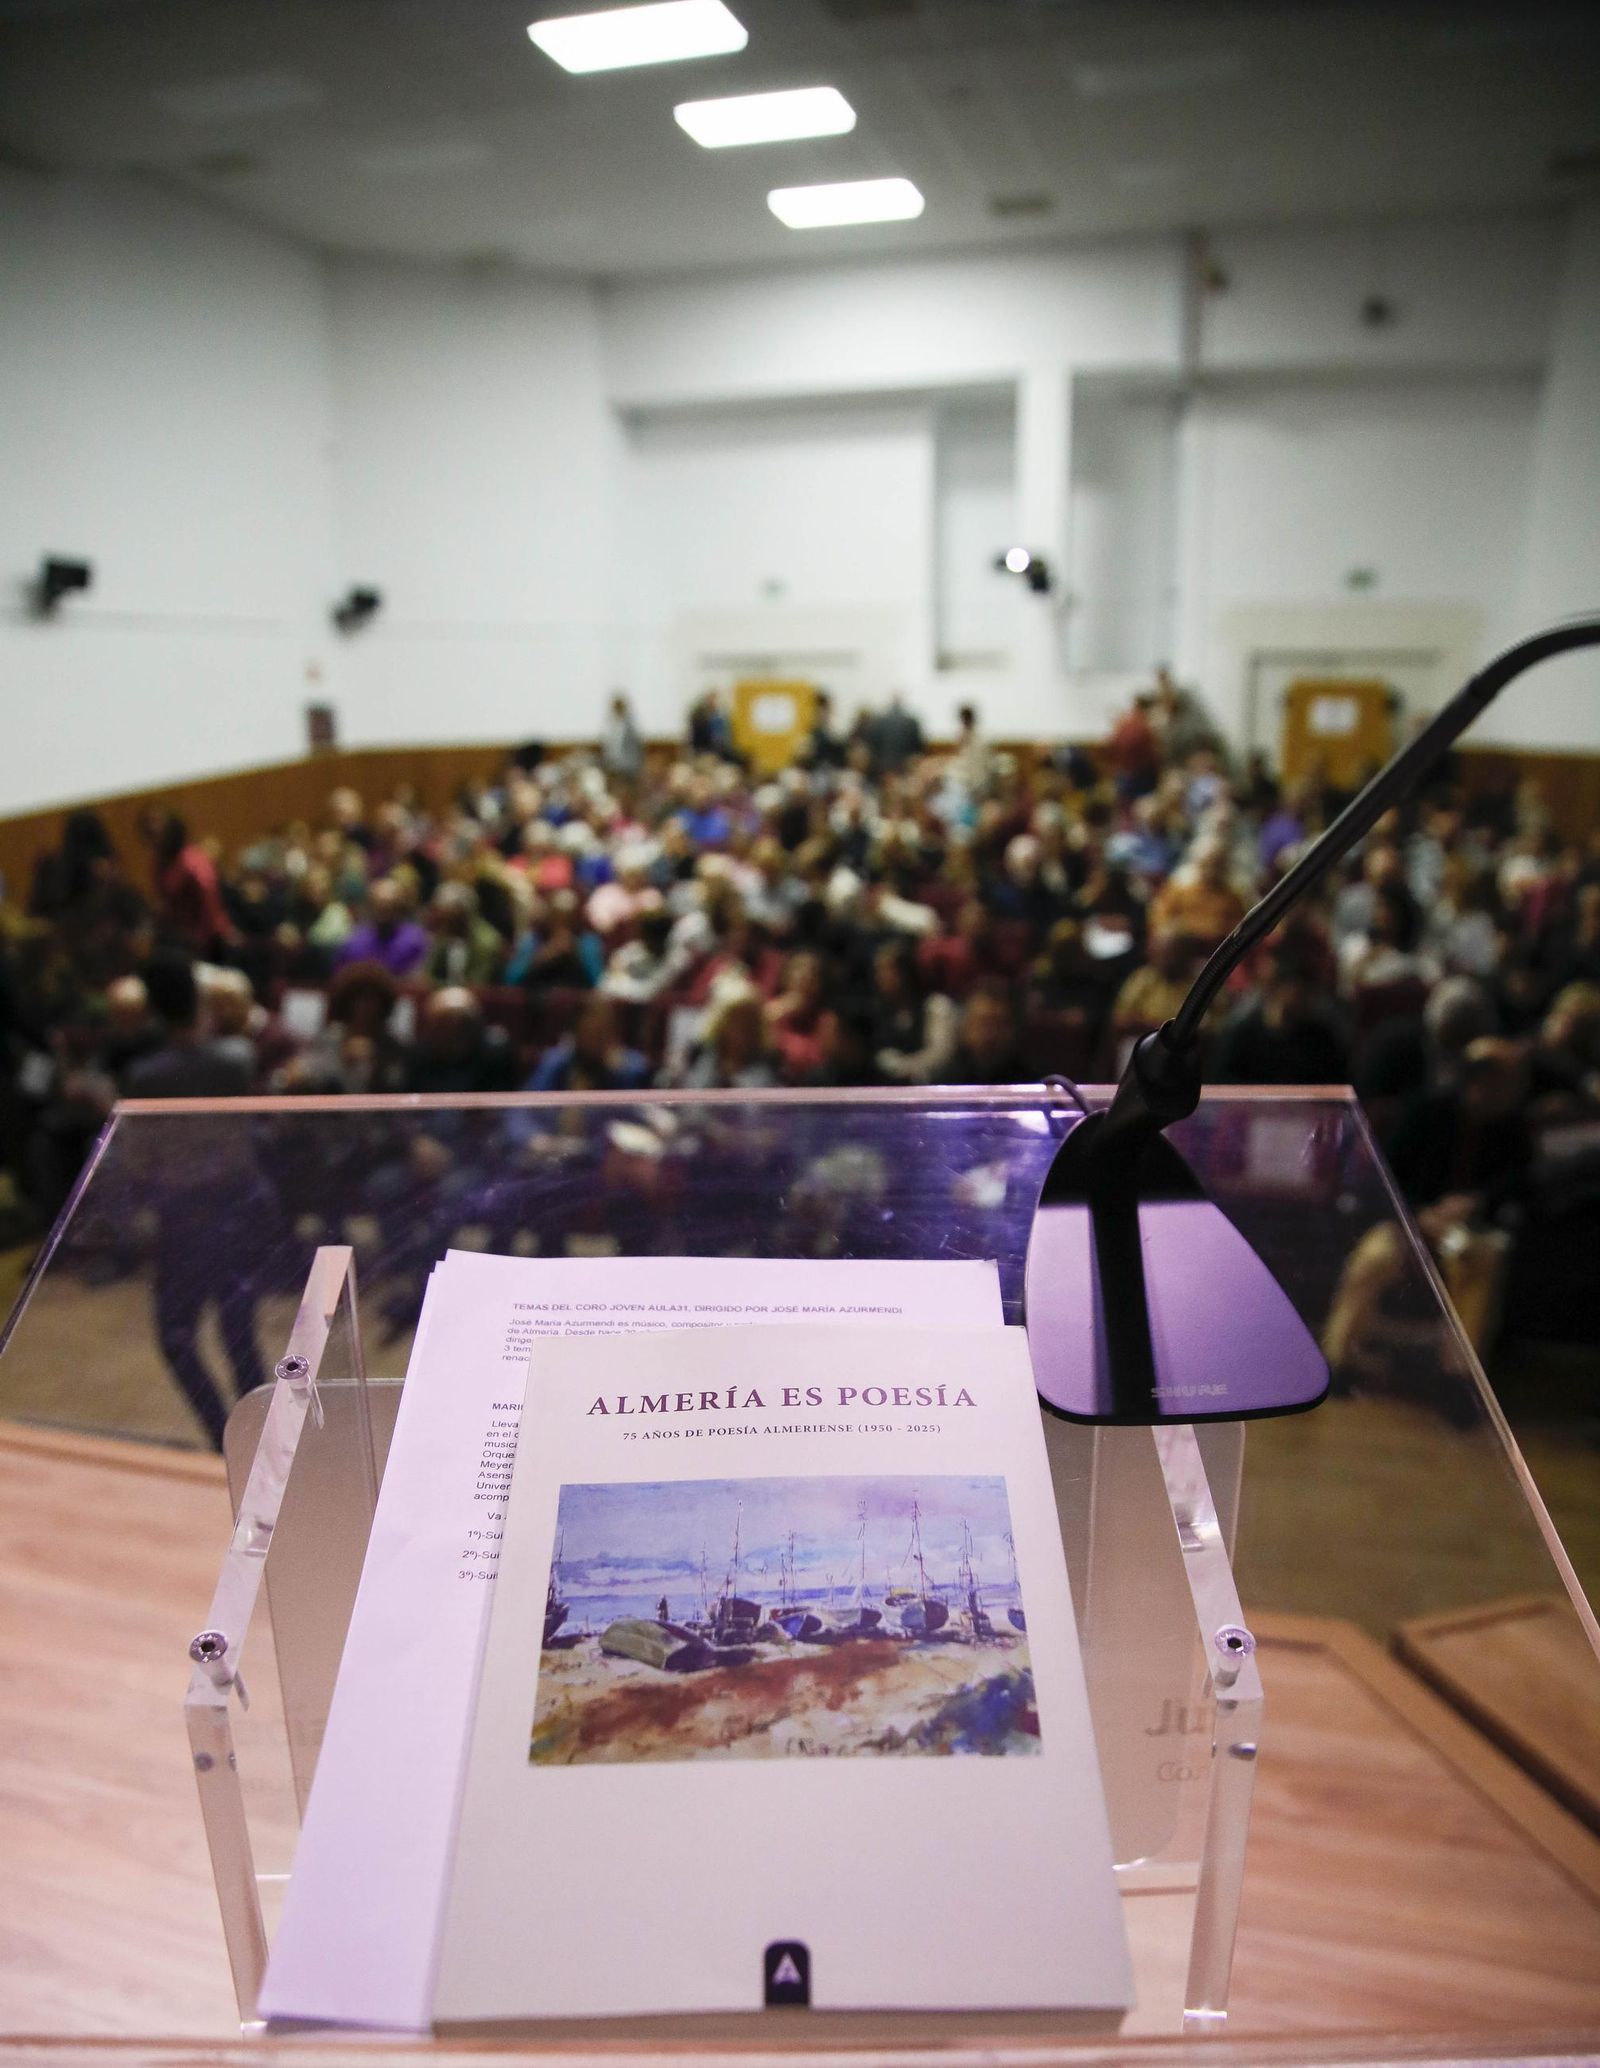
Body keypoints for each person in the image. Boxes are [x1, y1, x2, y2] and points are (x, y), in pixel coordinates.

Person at [527, 996, 650, 1094]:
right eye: (591, 1034)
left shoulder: (631, 1065)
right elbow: (528, 1108)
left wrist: (618, 1073)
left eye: (602, 1031)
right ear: (577, 1032)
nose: (597, 1040)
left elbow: (640, 1110)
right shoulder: (556, 1062)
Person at [336, 878, 430, 979]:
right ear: (370, 907)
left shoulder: (416, 941)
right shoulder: (354, 942)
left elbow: (420, 980)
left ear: (401, 908)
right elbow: (341, 978)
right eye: (380, 907)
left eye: (390, 907)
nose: (385, 913)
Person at [600, 692, 644, 783]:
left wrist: (637, 767)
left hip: (628, 767)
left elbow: (636, 748)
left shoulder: (629, 726)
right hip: (614, 766)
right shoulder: (611, 725)